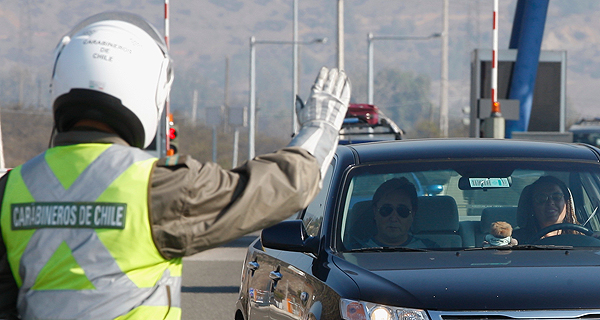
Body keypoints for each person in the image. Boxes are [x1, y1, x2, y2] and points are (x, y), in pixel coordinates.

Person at [0, 11, 350, 320]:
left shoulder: (10, 190)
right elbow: (283, 186)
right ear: (149, 90)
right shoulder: (157, 187)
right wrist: (320, 128)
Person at [365, 178, 437, 248]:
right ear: (375, 212)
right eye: (386, 210)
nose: (393, 218)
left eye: (402, 211)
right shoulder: (356, 252)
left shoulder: (432, 251)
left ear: (412, 214)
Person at [513, 175, 580, 243]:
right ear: (532, 206)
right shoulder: (517, 241)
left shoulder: (581, 238)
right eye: (541, 198)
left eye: (556, 197)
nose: (550, 202)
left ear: (567, 203)